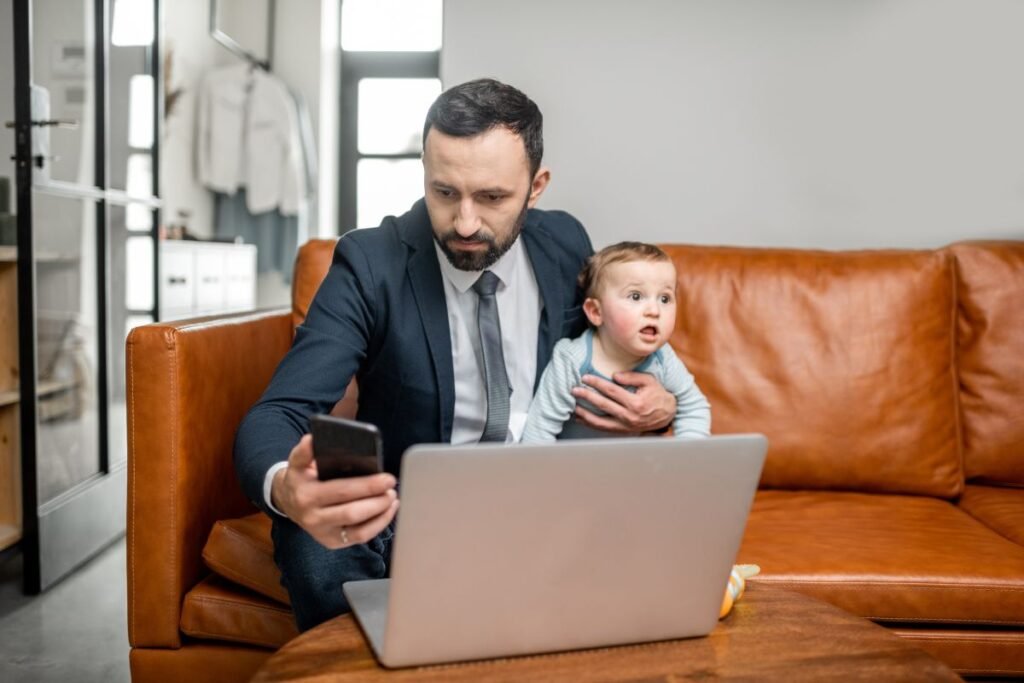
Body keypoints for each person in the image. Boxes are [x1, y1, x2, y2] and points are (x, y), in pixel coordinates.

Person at [234, 79, 679, 632]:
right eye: (444, 193)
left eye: (492, 197)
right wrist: (285, 486)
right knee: (312, 533)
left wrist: (659, 406)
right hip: (412, 515)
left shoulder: (566, 244)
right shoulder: (371, 263)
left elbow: (621, 347)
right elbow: (277, 412)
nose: (465, 223)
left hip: (543, 502)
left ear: (536, 186)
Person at [522, 242, 711, 442]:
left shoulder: (663, 357)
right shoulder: (571, 360)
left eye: (665, 298)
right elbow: (539, 430)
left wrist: (688, 460)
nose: (654, 311)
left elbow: (694, 407)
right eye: (636, 296)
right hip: (574, 467)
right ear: (596, 312)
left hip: (637, 466)